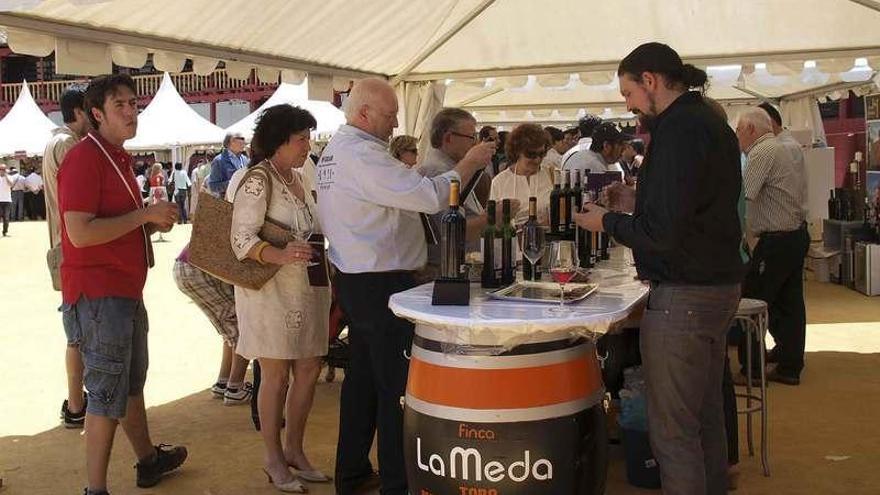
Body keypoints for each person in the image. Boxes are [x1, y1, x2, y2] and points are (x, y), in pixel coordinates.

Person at [575, 42, 744, 494]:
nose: (626, 104)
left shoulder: (679, 130)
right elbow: (694, 205)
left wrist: (606, 221)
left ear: (650, 81)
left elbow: (663, 234)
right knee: (703, 416)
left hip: (685, 294)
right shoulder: (707, 121)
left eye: (628, 92)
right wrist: (635, 201)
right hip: (716, 285)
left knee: (672, 430)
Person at [316, 78, 492, 495]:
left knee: (363, 385)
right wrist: (469, 162)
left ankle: (355, 472)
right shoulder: (361, 156)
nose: (397, 123)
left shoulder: (343, 151)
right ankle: (397, 482)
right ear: (363, 114)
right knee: (395, 388)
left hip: (362, 280)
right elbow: (431, 196)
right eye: (390, 114)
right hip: (380, 284)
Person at [58, 73, 186, 495]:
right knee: (107, 392)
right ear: (97, 114)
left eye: (134, 104)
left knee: (128, 385)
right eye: (121, 106)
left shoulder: (113, 155)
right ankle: (95, 489)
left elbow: (107, 229)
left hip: (121, 291)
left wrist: (146, 224)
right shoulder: (85, 157)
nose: (132, 111)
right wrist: (145, 218)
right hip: (100, 295)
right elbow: (79, 233)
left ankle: (148, 459)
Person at [230, 104, 331, 493]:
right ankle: (273, 458)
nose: (308, 145)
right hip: (270, 291)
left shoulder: (299, 176)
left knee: (308, 369)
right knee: (275, 376)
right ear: (279, 141)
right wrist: (282, 253)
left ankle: (294, 450)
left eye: (309, 137)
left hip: (306, 288)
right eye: (301, 138)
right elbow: (241, 239)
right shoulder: (258, 179)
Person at [735, 107, 809, 386]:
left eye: (739, 131)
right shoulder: (781, 148)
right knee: (790, 303)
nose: (738, 138)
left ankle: (752, 369)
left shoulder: (761, 152)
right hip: (793, 235)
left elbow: (745, 194)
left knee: (753, 300)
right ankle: (790, 366)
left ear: (751, 130)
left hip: (777, 239)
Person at [42, 82, 91, 428]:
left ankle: (77, 403)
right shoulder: (68, 144)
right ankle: (76, 405)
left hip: (67, 244)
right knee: (78, 332)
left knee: (80, 329)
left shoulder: (58, 142)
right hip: (73, 247)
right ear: (79, 113)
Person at [418, 108, 497, 271]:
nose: (475, 143)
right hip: (447, 268)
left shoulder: (453, 168)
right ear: (448, 138)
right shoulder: (438, 173)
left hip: (458, 263)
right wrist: (491, 218)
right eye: (471, 137)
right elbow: (450, 231)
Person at [172, 243, 252, 405]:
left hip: (187, 265)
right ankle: (235, 388)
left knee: (229, 328)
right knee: (242, 326)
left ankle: (224, 383)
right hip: (201, 269)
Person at [490, 123, 554, 226]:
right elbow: (493, 222)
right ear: (517, 151)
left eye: (541, 154)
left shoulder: (553, 176)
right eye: (531, 154)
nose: (537, 159)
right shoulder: (499, 182)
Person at [208, 131, 249, 196]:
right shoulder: (219, 160)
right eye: (241, 139)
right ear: (232, 141)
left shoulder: (245, 159)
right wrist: (232, 183)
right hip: (226, 202)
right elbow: (213, 186)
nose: (244, 142)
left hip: (243, 201)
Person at [0, 164, 13, 236]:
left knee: (6, 218)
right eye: (1, 169)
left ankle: (5, 231)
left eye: (3, 169)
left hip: (7, 200)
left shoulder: (9, 177)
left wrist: (6, 176)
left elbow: (11, 184)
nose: (2, 171)